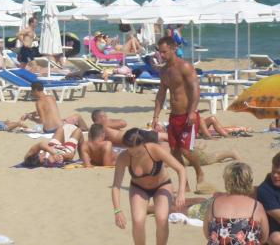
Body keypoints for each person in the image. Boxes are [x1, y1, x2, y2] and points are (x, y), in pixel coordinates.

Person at [112, 128, 187, 245]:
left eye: (138, 152)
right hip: (139, 188)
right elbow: (116, 186)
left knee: (162, 219)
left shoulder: (155, 150)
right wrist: (117, 211)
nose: (135, 155)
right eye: (131, 152)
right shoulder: (123, 157)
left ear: (144, 144)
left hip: (162, 186)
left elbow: (181, 169)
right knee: (138, 221)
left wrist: (181, 193)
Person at [152, 35, 205, 191]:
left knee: (185, 150)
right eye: (160, 52)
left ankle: (199, 171)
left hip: (187, 115)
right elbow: (161, 94)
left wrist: (192, 112)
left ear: (173, 49)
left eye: (164, 52)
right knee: (174, 151)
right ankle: (185, 184)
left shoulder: (185, 66)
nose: (161, 55)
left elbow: (195, 90)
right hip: (174, 116)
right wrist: (155, 116)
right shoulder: (164, 71)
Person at [203, 162, 268, 244]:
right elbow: (264, 237)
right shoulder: (256, 206)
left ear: (227, 181)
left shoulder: (214, 204)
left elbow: (207, 234)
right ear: (249, 182)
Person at [20, 81, 88, 133]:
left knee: (68, 120)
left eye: (32, 91)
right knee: (77, 116)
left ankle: (82, 129)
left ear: (35, 90)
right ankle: (85, 129)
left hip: (49, 129)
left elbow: (42, 120)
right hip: (59, 127)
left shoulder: (39, 103)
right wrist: (29, 114)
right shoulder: (51, 98)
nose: (32, 93)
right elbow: (46, 111)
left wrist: (31, 118)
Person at [256, 152, 280, 244]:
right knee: (276, 238)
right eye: (273, 171)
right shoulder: (265, 190)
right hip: (273, 230)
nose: (275, 175)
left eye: (279, 173)